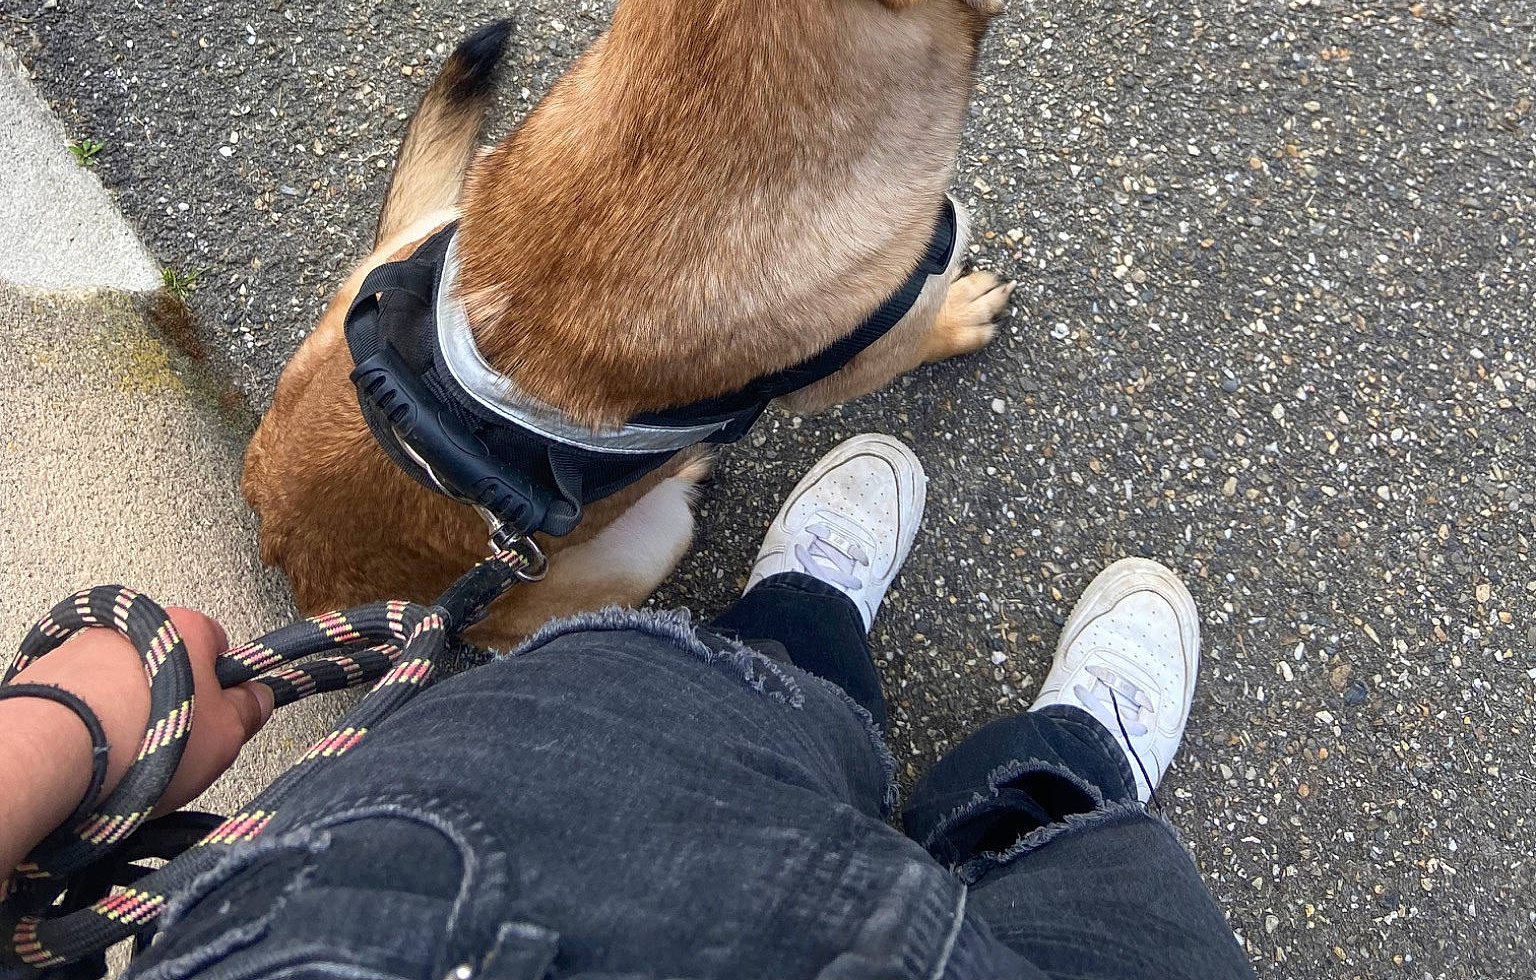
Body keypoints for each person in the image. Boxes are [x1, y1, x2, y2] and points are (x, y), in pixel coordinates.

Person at [1, 437, 1255, 979]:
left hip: (401, 914)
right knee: (1119, 895)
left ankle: (802, 615)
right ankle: (1068, 772)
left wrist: (78, 735)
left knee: (735, 692)